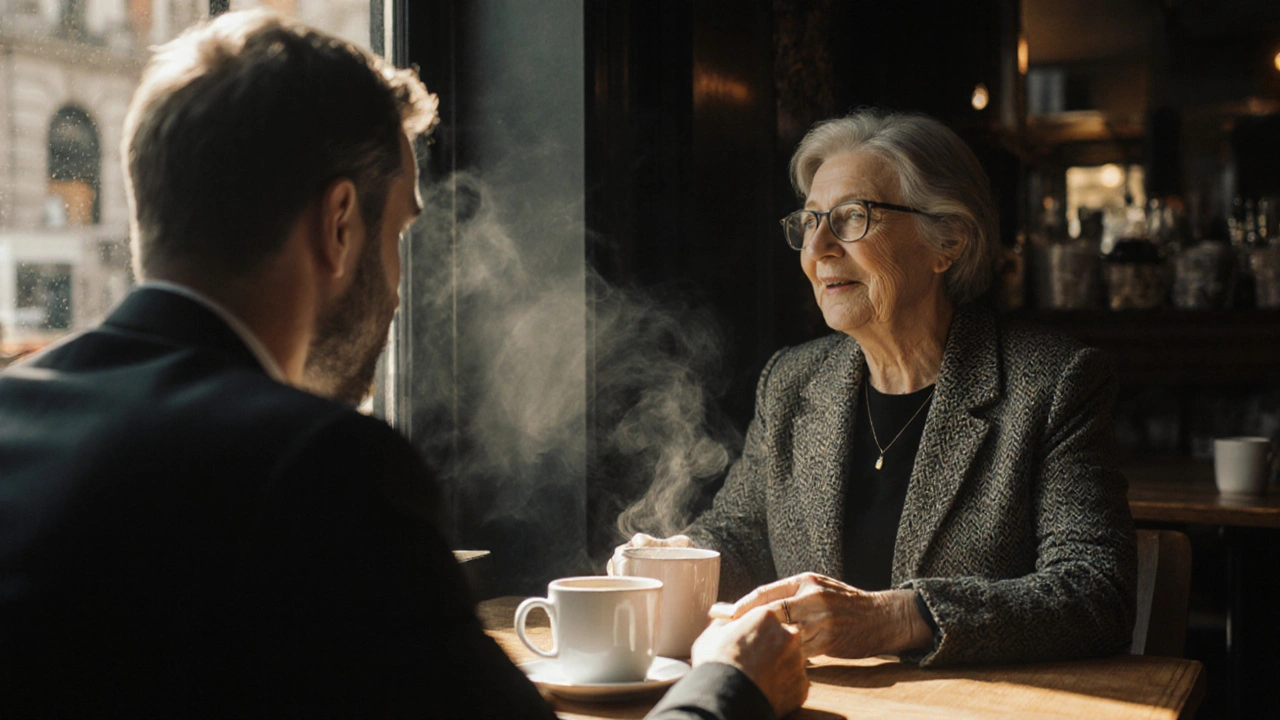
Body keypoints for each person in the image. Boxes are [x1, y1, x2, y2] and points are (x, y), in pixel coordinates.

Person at [0, 11, 807, 719]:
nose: (395, 295)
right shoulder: (320, 469)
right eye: (399, 236)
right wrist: (727, 685)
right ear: (340, 224)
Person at [614, 108, 1136, 668]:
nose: (818, 251)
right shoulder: (791, 382)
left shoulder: (1053, 383)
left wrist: (893, 618)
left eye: (852, 218)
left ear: (949, 242)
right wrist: (680, 557)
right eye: (810, 222)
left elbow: (1095, 593)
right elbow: (743, 533)